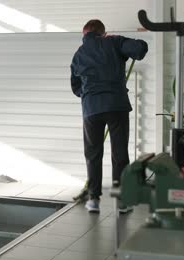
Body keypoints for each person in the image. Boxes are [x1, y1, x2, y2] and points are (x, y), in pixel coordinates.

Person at [70, 19, 148, 213]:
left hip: (91, 110)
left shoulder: (78, 54)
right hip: (116, 106)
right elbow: (140, 49)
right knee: (119, 154)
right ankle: (122, 201)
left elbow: (76, 87)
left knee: (93, 154)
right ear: (103, 32)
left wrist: (90, 95)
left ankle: (94, 200)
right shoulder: (114, 42)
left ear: (84, 33)